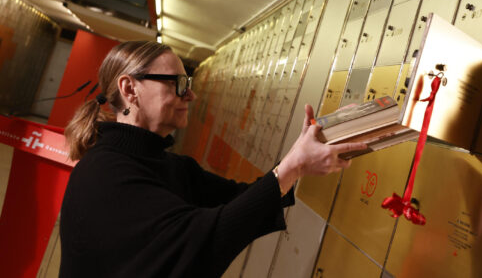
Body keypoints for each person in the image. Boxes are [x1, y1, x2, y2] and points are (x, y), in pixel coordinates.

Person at [59, 41, 366, 277]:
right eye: (178, 84)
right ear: (130, 89)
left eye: (188, 85)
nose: (190, 96)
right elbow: (202, 242)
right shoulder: (103, 174)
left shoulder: (170, 166)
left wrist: (304, 152)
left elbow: (244, 199)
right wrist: (293, 166)